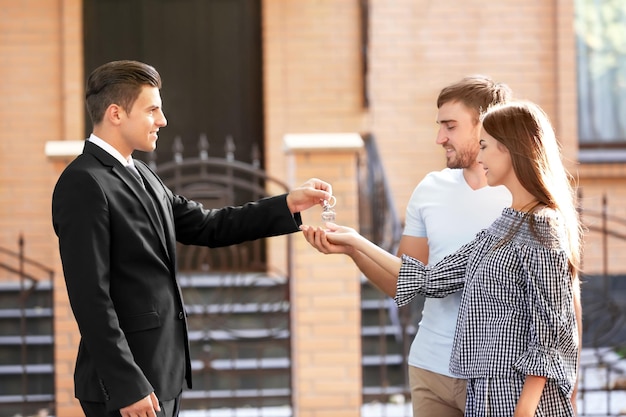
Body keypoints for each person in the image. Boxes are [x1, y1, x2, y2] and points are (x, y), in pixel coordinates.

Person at [51, 60, 333, 417]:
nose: (163, 120)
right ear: (116, 113)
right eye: (152, 109)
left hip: (161, 374)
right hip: (126, 388)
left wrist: (288, 204)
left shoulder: (143, 174)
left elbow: (208, 225)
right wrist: (127, 383)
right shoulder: (83, 183)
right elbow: (90, 298)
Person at [302, 100, 583, 416]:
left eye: (485, 146)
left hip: (519, 398)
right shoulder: (504, 224)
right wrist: (354, 243)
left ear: (509, 149)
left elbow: (551, 329)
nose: (479, 156)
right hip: (485, 393)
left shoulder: (542, 225)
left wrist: (524, 410)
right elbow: (431, 279)